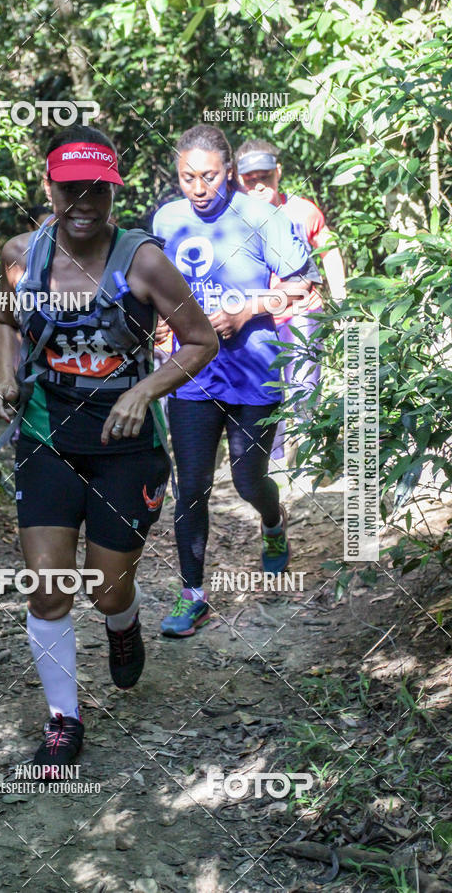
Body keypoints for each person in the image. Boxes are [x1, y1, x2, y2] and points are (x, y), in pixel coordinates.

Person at [0, 125, 217, 768]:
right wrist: (6, 377)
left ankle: (123, 623)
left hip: (127, 446)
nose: (84, 203)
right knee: (48, 588)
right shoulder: (20, 256)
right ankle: (64, 719)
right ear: (49, 188)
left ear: (115, 192)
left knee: (107, 591)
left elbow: (201, 340)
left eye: (98, 190)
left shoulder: (143, 261)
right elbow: (6, 321)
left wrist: (144, 390)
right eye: (70, 189)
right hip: (46, 437)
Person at [152, 124, 320, 638]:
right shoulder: (167, 219)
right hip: (192, 374)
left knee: (248, 479)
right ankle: (193, 596)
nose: (199, 188)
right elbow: (154, 286)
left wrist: (248, 309)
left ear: (229, 171)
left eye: (209, 176)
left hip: (253, 370)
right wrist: (158, 321)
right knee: (192, 487)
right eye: (188, 178)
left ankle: (272, 521)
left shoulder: (262, 216)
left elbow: (305, 287)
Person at [235, 139, 346, 466]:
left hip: (302, 311)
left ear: (278, 173)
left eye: (265, 177)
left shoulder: (302, 211)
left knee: (304, 387)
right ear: (239, 179)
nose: (259, 186)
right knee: (266, 392)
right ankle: (276, 463)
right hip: (256, 317)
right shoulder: (233, 216)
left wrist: (341, 303)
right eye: (250, 179)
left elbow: (330, 251)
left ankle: (309, 462)